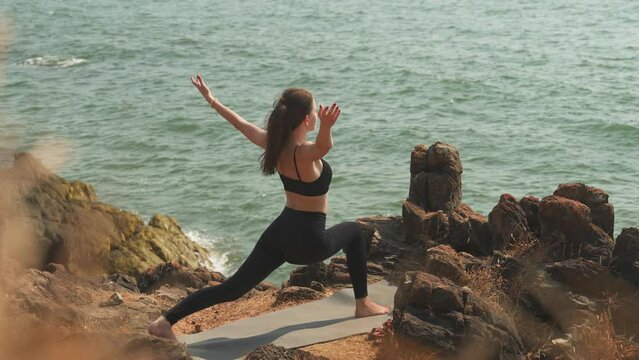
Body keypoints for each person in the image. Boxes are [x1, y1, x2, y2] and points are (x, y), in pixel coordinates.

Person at [148, 74, 390, 341]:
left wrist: (212, 99)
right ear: (307, 119)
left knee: (232, 288)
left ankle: (165, 320)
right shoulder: (304, 153)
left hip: (280, 232)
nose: (316, 114)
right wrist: (327, 126)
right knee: (355, 232)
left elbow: (240, 124)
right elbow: (324, 146)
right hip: (309, 241)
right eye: (314, 111)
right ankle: (363, 304)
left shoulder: (274, 144)